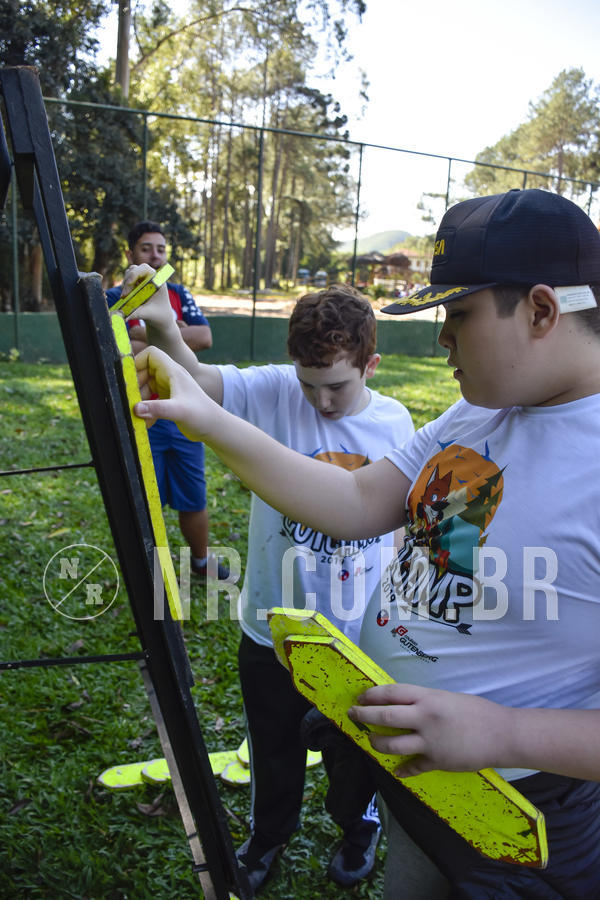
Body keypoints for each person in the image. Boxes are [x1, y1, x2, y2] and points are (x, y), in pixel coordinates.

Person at [130, 188, 600, 896]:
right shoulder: (476, 414)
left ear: (539, 310)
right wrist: (208, 418)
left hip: (519, 826)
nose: (443, 338)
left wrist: (506, 734)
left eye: (459, 313)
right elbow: (353, 501)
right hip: (414, 791)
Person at [118, 278, 415, 890]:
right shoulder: (279, 392)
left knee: (353, 753)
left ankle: (359, 827)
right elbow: (198, 385)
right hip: (270, 627)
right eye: (310, 385)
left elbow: (398, 524)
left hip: (356, 635)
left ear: (371, 364)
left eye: (338, 385)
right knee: (273, 747)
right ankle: (268, 836)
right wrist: (166, 328)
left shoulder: (397, 422)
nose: (323, 402)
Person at [106, 221, 228, 580]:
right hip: (140, 411)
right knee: (144, 502)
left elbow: (204, 336)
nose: (155, 256)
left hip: (185, 407)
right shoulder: (115, 297)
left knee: (194, 498)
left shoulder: (178, 291)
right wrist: (170, 333)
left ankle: (201, 564)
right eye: (146, 248)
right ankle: (150, 573)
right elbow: (115, 341)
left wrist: (143, 331)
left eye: (160, 249)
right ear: (130, 254)